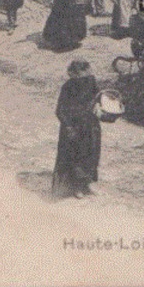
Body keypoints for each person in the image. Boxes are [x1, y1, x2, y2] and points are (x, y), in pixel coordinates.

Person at [52, 58, 102, 198]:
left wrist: (99, 105)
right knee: (75, 156)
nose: (86, 77)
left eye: (87, 73)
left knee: (91, 155)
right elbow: (60, 110)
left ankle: (86, 184)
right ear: (74, 74)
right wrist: (68, 127)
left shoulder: (91, 82)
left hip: (90, 125)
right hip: (73, 126)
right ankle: (75, 187)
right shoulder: (68, 87)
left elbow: (98, 97)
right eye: (81, 75)